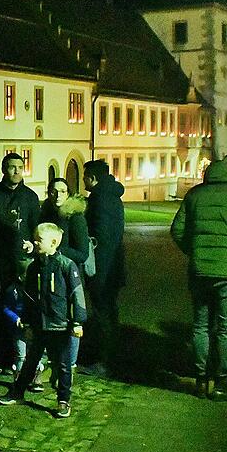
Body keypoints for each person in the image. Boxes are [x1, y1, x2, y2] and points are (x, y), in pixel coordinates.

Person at [171, 156, 227, 401]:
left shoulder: (195, 195)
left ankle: (201, 380)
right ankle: (222, 384)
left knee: (201, 327)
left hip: (200, 272)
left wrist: (196, 252)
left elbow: (177, 230)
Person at [0, 223, 86, 419]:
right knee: (30, 362)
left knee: (62, 365)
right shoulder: (34, 267)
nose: (35, 242)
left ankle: (63, 400)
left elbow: (76, 295)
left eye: (39, 240)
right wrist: (28, 323)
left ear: (54, 242)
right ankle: (17, 392)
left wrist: (77, 321)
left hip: (59, 326)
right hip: (39, 325)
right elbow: (28, 299)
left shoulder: (66, 265)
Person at [41, 178, 90, 377]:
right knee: (52, 318)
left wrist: (57, 248)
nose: (58, 195)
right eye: (54, 191)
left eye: (62, 191)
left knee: (72, 320)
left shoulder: (75, 217)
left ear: (68, 193)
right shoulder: (46, 213)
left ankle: (69, 366)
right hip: (49, 275)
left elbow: (82, 253)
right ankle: (52, 361)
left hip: (70, 276)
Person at [81, 160, 125, 377]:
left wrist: (95, 271)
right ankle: (109, 358)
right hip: (112, 268)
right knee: (108, 312)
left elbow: (101, 239)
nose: (83, 180)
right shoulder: (111, 195)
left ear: (93, 178)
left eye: (85, 176)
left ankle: (104, 362)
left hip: (104, 269)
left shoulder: (100, 198)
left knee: (103, 314)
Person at [0, 153, 40, 286]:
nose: (17, 171)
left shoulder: (31, 196)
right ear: (4, 170)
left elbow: (36, 226)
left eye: (20, 167)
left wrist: (33, 247)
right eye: (12, 167)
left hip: (23, 259)